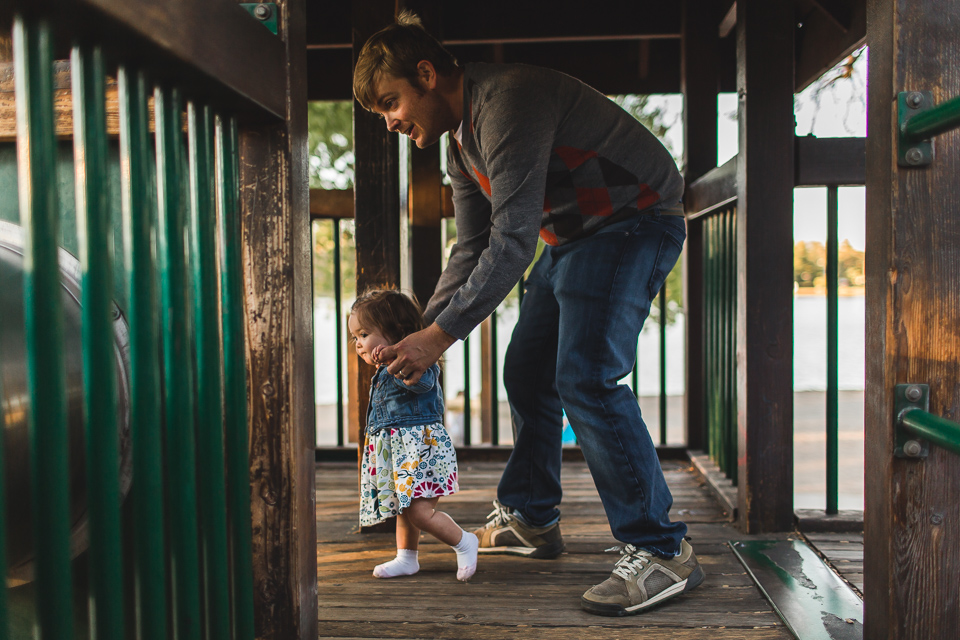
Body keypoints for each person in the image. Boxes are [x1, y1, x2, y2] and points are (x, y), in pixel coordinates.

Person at [353, 11, 703, 614]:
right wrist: (422, 334)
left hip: (634, 222)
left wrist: (436, 338)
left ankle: (662, 551)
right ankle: (532, 518)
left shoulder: (506, 102)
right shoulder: (459, 148)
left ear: (428, 74)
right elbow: (472, 247)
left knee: (586, 376)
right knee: (527, 372)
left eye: (391, 103)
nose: (390, 122)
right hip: (571, 237)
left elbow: (512, 243)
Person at [349, 289, 478, 582]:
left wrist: (399, 365)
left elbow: (423, 386)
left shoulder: (417, 364)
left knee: (419, 512)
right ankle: (406, 558)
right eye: (355, 337)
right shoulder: (383, 370)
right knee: (403, 508)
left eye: (364, 334)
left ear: (398, 332)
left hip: (421, 448)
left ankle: (464, 541)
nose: (358, 344)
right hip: (399, 450)